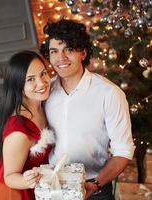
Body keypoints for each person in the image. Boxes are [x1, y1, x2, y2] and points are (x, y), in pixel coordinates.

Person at [40, 19, 135, 200]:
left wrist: (95, 184)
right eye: (54, 51)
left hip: (96, 188)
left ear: (83, 53)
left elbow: (123, 151)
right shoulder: (45, 92)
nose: (61, 58)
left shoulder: (110, 94)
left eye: (69, 49)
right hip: (54, 186)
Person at [0, 50, 54, 200]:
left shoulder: (40, 103)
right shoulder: (19, 132)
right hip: (13, 190)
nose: (41, 83)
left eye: (43, 73)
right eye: (30, 79)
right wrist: (28, 180)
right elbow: (9, 177)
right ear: (19, 85)